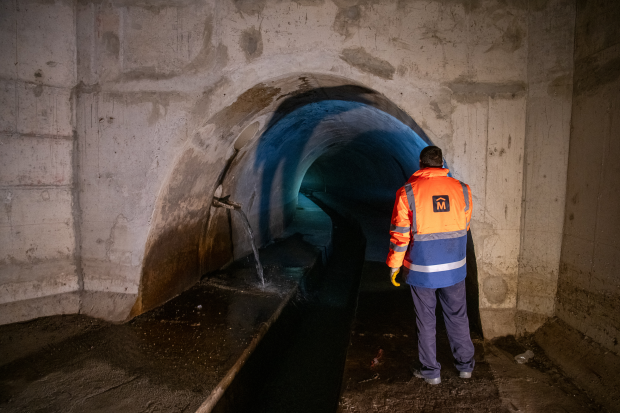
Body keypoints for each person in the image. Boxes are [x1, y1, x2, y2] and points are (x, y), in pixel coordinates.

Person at [386, 146, 475, 385]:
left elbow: (401, 234)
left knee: (426, 320)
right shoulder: (462, 190)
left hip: (422, 270)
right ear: (442, 163)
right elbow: (464, 226)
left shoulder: (408, 193)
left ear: (420, 163)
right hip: (455, 267)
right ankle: (465, 366)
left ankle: (431, 372)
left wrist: (395, 266)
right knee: (458, 316)